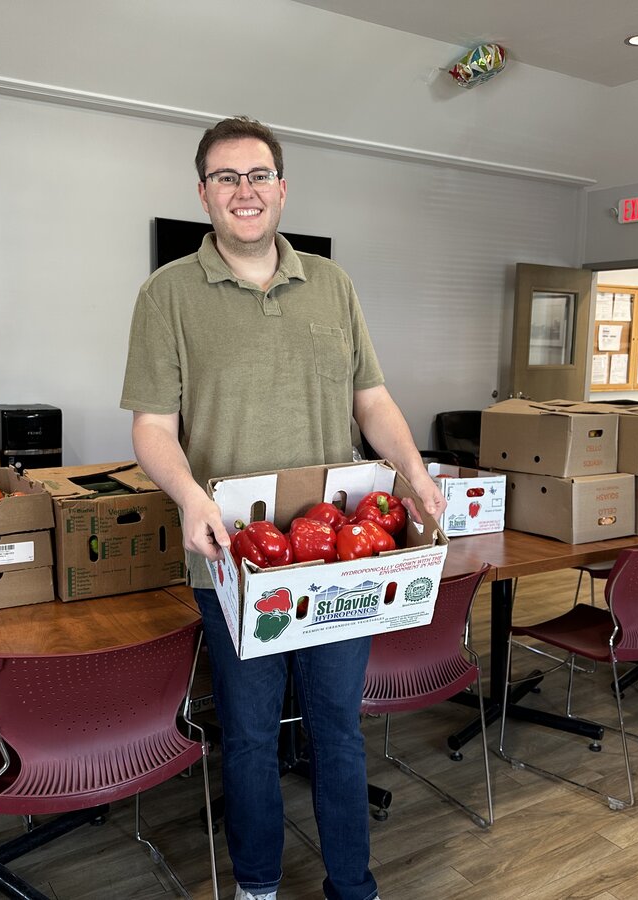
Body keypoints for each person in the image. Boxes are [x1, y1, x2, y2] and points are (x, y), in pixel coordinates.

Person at [120, 116, 445, 900]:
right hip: (233, 557)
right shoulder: (167, 294)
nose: (244, 191)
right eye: (226, 178)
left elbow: (371, 398)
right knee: (252, 736)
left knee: (338, 729)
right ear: (203, 192)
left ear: (282, 187)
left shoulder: (334, 285)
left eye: (258, 175)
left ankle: (351, 887)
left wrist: (413, 469)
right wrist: (190, 494)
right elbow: (151, 428)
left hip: (341, 552)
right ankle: (257, 888)